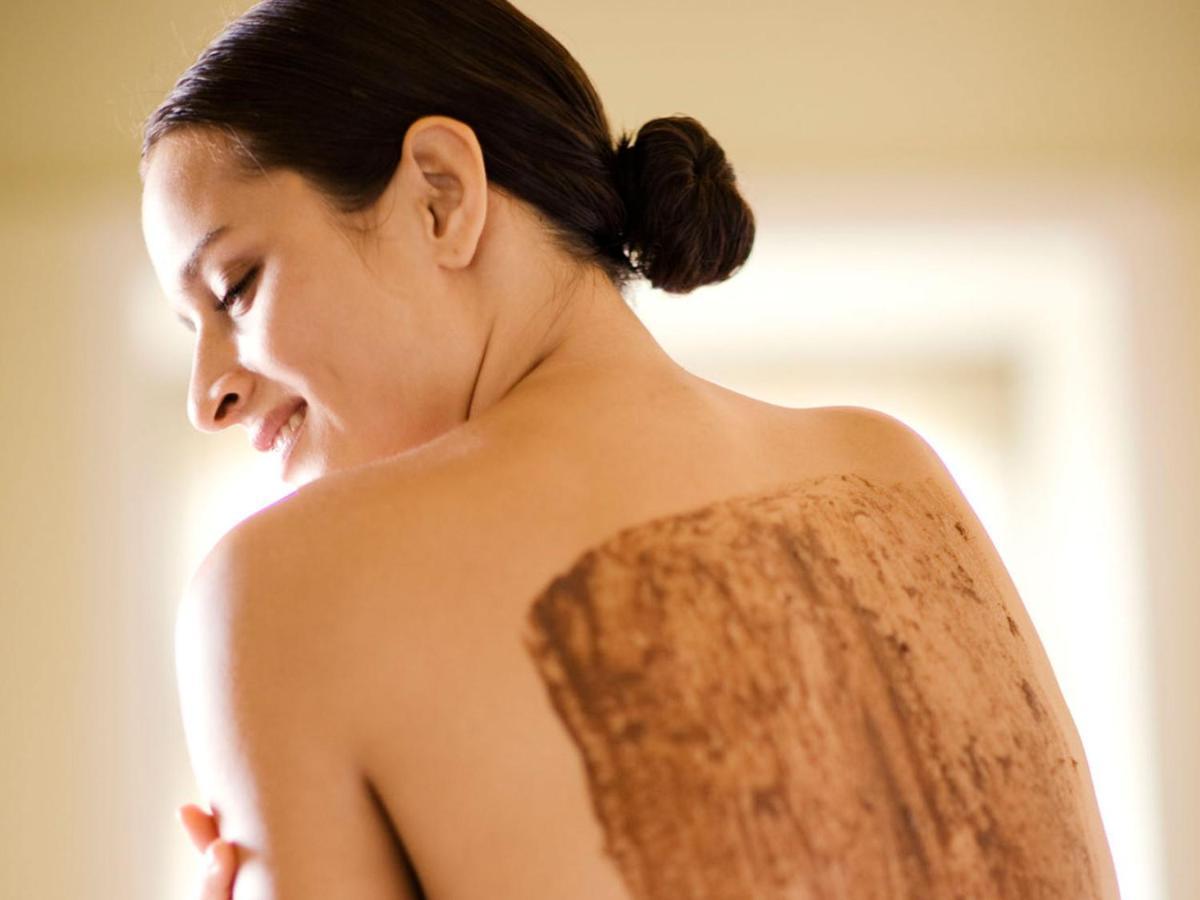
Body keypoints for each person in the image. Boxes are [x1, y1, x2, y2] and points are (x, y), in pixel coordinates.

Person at [140, 1, 1121, 898]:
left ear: (439, 195)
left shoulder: (285, 592)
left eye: (234, 288)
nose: (208, 397)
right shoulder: (892, 467)